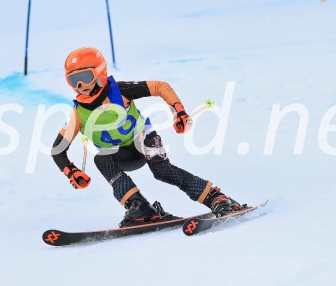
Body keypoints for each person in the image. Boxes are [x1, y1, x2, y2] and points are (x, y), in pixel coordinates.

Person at [51, 47, 242, 228]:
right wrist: (71, 172)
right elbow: (58, 150)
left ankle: (216, 197)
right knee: (101, 159)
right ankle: (140, 207)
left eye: (85, 77)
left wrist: (179, 111)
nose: (80, 86)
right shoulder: (78, 114)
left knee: (162, 170)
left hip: (143, 139)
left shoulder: (119, 91)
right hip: (121, 155)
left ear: (100, 73)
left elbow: (160, 87)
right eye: (73, 80)